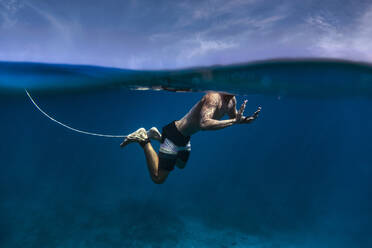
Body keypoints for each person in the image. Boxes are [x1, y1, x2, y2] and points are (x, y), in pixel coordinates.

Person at [120, 91, 261, 184]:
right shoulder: (213, 98)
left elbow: (233, 117)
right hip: (174, 135)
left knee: (180, 165)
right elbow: (204, 124)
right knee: (158, 178)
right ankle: (143, 139)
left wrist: (246, 119)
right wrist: (233, 122)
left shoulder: (232, 100)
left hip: (185, 138)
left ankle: (158, 136)